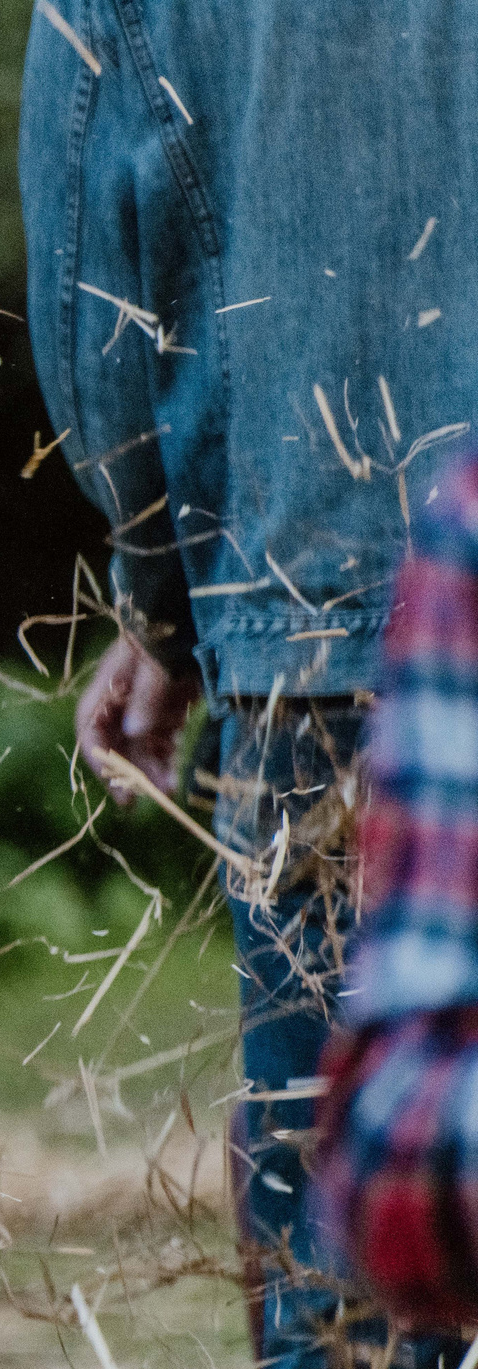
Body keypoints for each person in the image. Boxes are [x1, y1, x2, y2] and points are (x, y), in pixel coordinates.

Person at [23, 3, 478, 1369]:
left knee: (356, 1336)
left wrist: (167, 594)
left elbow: (102, 277)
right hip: (331, 606)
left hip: (324, 613)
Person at [323, 456, 478, 1320]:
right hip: (304, 639)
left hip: (287, 637)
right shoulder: (468, 528)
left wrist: (154, 608)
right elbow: (388, 1157)